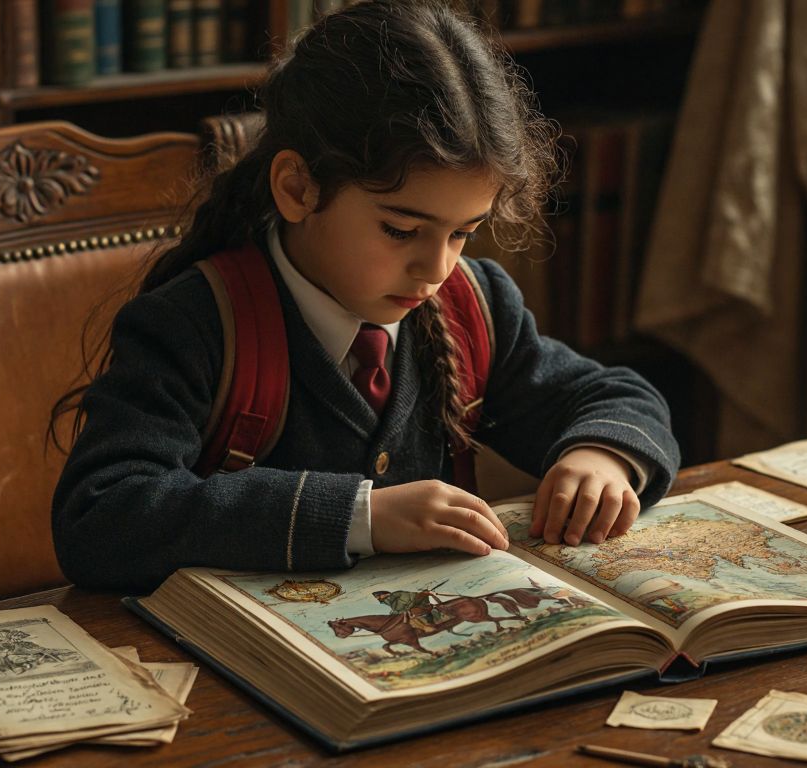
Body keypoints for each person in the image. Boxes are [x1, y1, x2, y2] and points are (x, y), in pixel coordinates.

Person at [50, 0, 680, 592]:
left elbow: (618, 396)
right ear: (298, 188)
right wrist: (361, 517)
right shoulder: (196, 325)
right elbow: (101, 516)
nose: (436, 267)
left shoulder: (473, 306)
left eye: (462, 232)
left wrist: (602, 456)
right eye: (401, 229)